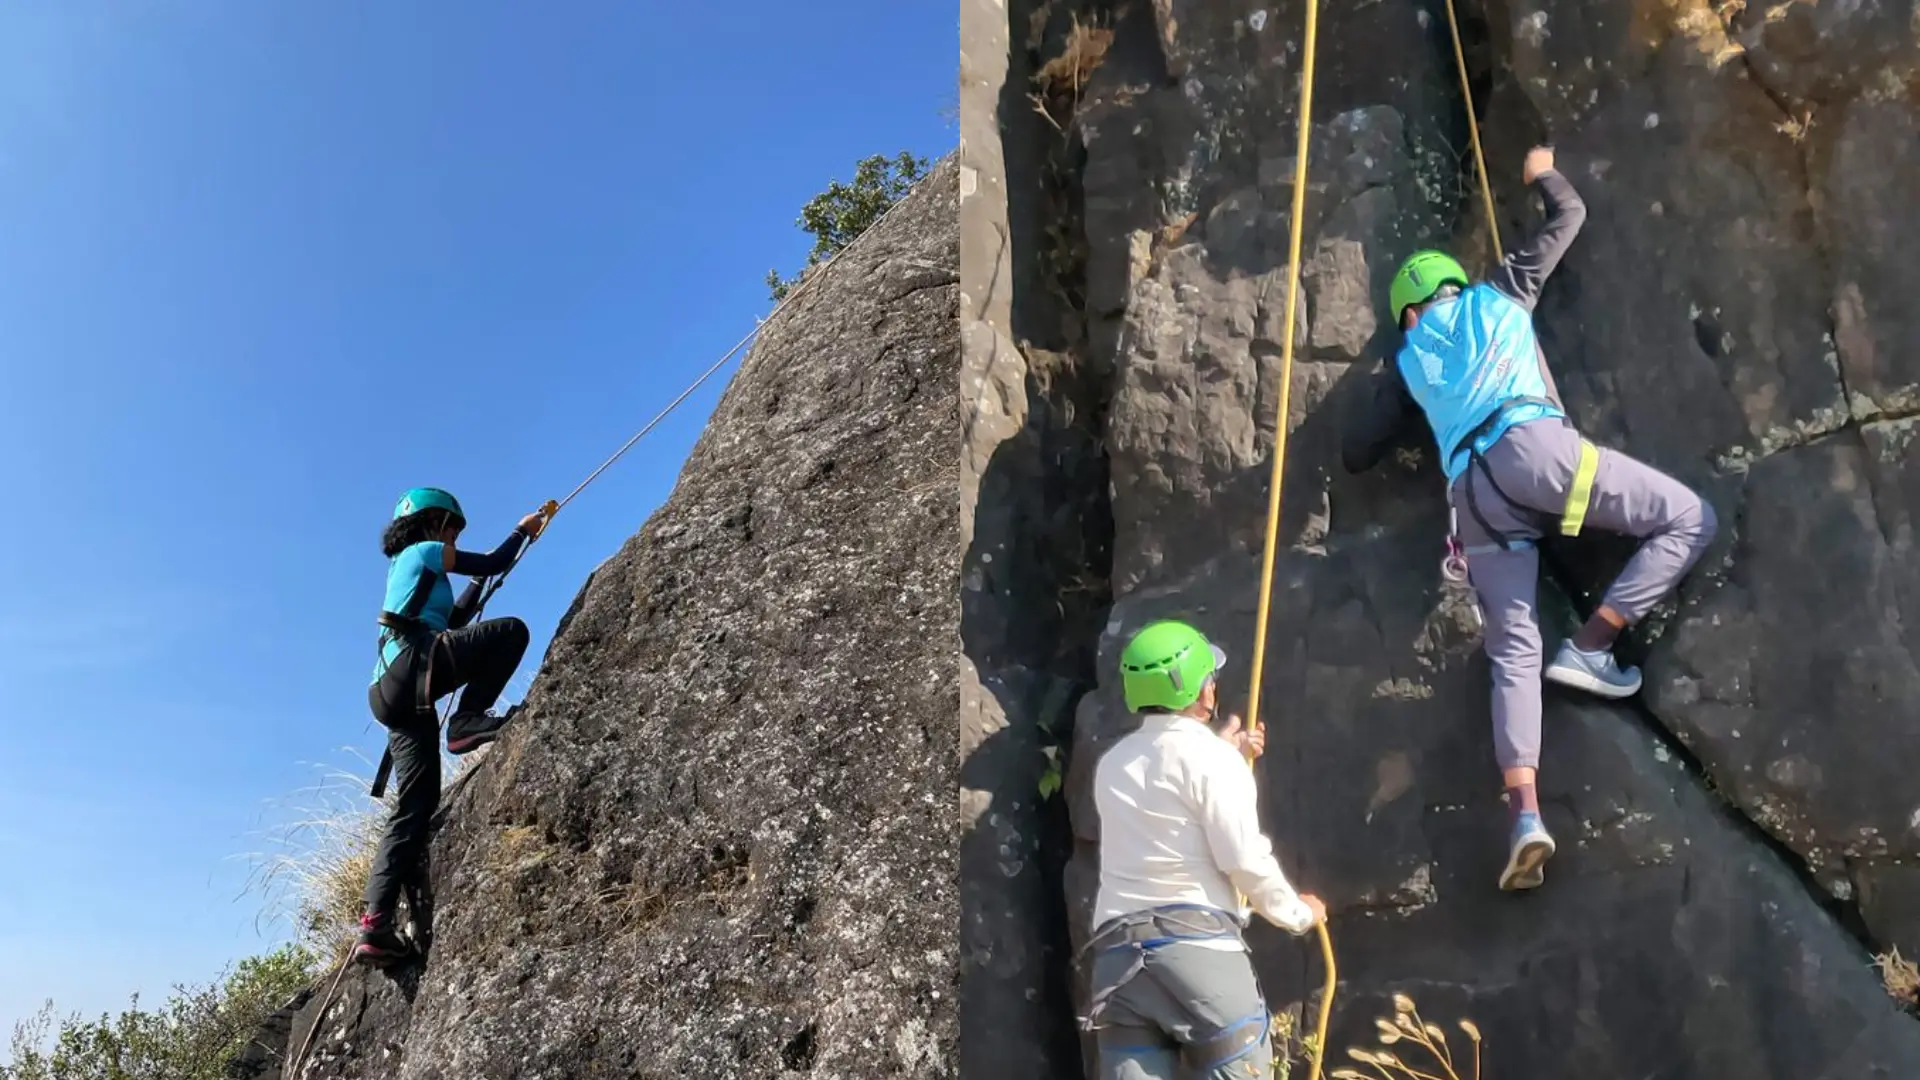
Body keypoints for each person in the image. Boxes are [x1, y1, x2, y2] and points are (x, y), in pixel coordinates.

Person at [1340, 145, 1718, 892]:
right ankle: (1594, 643)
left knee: (1513, 652)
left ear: (1408, 314)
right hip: (1536, 453)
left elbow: (1356, 452)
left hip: (1473, 500)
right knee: (1687, 517)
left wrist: (1405, 382)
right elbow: (1569, 216)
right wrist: (1541, 169)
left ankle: (1524, 814)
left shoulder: (1412, 362)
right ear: (1452, 286)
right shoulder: (1497, 295)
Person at [1081, 619, 1328, 1079]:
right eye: (1209, 677)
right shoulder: (1215, 762)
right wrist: (1298, 913)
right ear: (1199, 690)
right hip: (1197, 952)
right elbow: (1242, 859)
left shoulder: (1112, 765)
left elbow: (1166, 782)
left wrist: (1224, 752)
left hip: (1118, 964)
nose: (1213, 684)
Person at [355, 486, 547, 964]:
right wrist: (521, 533)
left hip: (392, 691)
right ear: (434, 523)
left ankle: (374, 924)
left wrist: (481, 587)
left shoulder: (412, 571)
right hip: (413, 667)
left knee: (416, 806)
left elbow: (457, 616)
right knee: (511, 633)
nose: (454, 538)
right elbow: (488, 562)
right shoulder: (420, 551)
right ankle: (465, 721)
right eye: (452, 530)